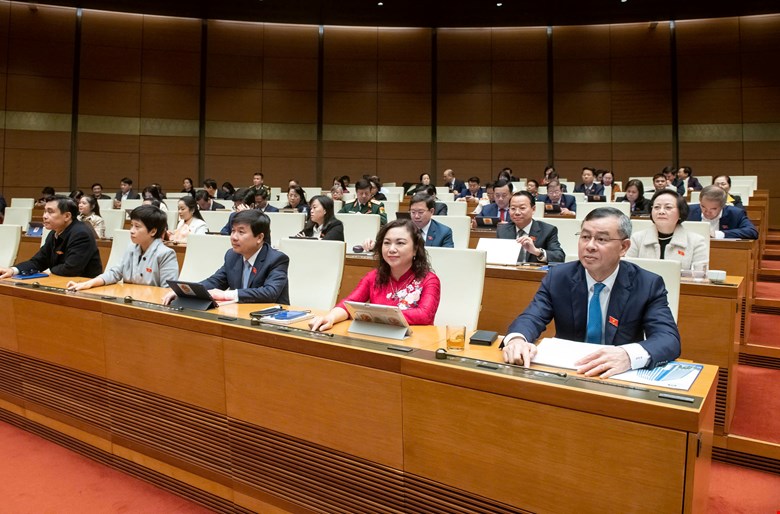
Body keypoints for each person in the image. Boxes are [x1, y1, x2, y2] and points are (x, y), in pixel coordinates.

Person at [501, 207, 681, 377]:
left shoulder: (647, 284)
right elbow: (532, 317)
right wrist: (517, 339)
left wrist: (627, 355)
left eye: (602, 239)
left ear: (624, 247)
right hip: (568, 371)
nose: (590, 246)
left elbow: (667, 339)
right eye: (585, 237)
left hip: (617, 375)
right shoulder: (558, 277)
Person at [309, 219, 441, 331]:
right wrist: (330, 317)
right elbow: (349, 304)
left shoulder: (429, 280)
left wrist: (373, 315)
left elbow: (425, 315)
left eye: (400, 243)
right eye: (387, 243)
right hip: (377, 338)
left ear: (415, 249)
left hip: (414, 344)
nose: (391, 249)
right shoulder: (373, 277)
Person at [163, 210, 289, 304]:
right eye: (233, 231)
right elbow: (216, 281)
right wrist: (185, 292)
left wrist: (226, 295)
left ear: (259, 237)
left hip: (272, 319)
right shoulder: (232, 255)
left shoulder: (276, 259)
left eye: (241, 232)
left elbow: (270, 293)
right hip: (240, 315)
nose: (234, 237)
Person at [66, 206, 178, 291]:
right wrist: (90, 283)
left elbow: (168, 290)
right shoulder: (131, 247)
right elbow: (115, 272)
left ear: (153, 231)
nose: (132, 230)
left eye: (137, 226)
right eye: (131, 225)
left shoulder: (166, 254)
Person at [0, 196, 102, 279]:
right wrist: (13, 270)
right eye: (45, 211)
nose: (44, 216)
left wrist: (46, 271)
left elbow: (71, 269)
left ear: (67, 216)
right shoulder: (54, 232)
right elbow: (38, 261)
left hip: (83, 287)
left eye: (50, 212)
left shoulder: (81, 234)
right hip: (62, 282)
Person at [626, 190, 708, 270]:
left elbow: (700, 277)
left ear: (681, 212)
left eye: (668, 207)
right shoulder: (637, 238)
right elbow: (628, 271)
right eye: (657, 207)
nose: (661, 211)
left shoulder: (697, 242)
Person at [496, 191, 564, 263]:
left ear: (533, 209)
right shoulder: (502, 230)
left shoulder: (547, 230)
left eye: (522, 208)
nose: (517, 213)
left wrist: (537, 251)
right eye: (513, 208)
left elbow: (559, 257)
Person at [687, 185, 758, 239]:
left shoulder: (735, 213)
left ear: (722, 206)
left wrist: (719, 234)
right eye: (703, 206)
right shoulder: (689, 210)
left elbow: (752, 232)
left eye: (713, 209)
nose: (707, 212)